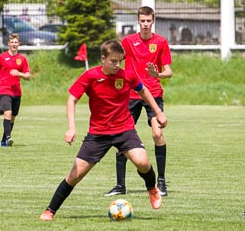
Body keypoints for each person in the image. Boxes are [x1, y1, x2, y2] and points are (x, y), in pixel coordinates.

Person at [40, 40, 166, 221]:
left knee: (143, 162)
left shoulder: (127, 75)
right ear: (103, 58)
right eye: (113, 61)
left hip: (124, 130)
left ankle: (152, 189)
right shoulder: (90, 76)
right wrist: (71, 127)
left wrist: (158, 112)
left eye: (120, 61)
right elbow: (71, 99)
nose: (117, 65)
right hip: (98, 134)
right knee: (75, 175)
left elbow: (143, 91)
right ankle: (50, 210)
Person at [104, 6, 172, 198]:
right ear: (137, 21)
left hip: (154, 93)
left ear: (153, 21)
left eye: (148, 21)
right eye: (142, 21)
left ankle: (161, 182)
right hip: (130, 95)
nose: (145, 24)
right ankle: (120, 185)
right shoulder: (127, 41)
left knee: (157, 134)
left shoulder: (160, 42)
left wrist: (156, 74)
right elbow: (115, 60)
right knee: (119, 137)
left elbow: (169, 71)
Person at [0, 33, 30, 147]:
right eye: (12, 42)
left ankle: (4, 140)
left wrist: (19, 73)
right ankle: (9, 137)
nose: (14, 44)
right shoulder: (1, 57)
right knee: (8, 113)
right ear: (8, 44)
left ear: (19, 44)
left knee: (12, 118)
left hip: (17, 92)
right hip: (4, 90)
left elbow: (28, 76)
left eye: (16, 42)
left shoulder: (22, 59)